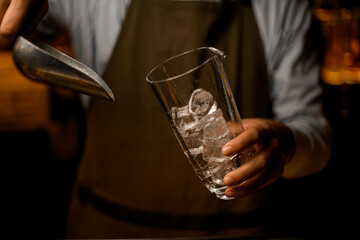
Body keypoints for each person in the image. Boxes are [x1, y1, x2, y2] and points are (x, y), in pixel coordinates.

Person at [0, 0, 332, 238]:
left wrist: (285, 142)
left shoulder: (282, 6)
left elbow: (316, 137)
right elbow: (16, 21)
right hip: (106, 227)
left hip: (242, 228)